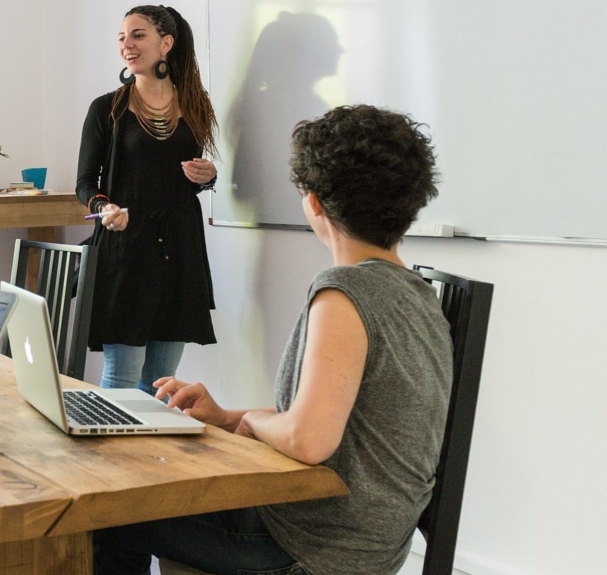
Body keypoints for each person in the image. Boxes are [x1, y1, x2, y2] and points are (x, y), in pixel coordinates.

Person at [92, 105, 452, 575]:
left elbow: (307, 440)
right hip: (364, 538)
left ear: (314, 202)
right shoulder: (416, 295)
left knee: (112, 515)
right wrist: (225, 417)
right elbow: (336, 423)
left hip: (315, 543)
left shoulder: (345, 294)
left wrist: (258, 420)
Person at [75, 4, 220, 393]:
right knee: (121, 380)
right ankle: (109, 456)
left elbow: (183, 178)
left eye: (138, 35)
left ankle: (153, 457)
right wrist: (104, 208)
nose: (127, 44)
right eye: (122, 37)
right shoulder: (107, 108)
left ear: (166, 44)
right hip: (126, 247)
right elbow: (85, 183)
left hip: (179, 248)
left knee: (160, 385)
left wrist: (208, 177)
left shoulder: (195, 106)